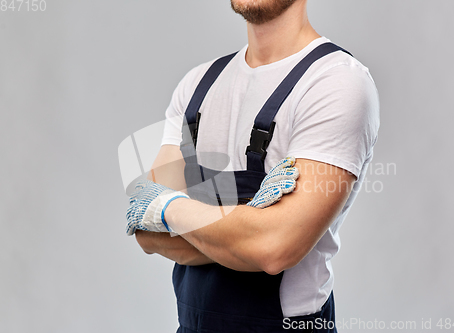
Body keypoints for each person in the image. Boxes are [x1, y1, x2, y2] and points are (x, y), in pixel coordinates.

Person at [126, 0, 380, 332]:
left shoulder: (337, 84)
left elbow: (273, 249)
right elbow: (149, 236)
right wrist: (251, 221)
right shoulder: (195, 86)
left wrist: (165, 207)